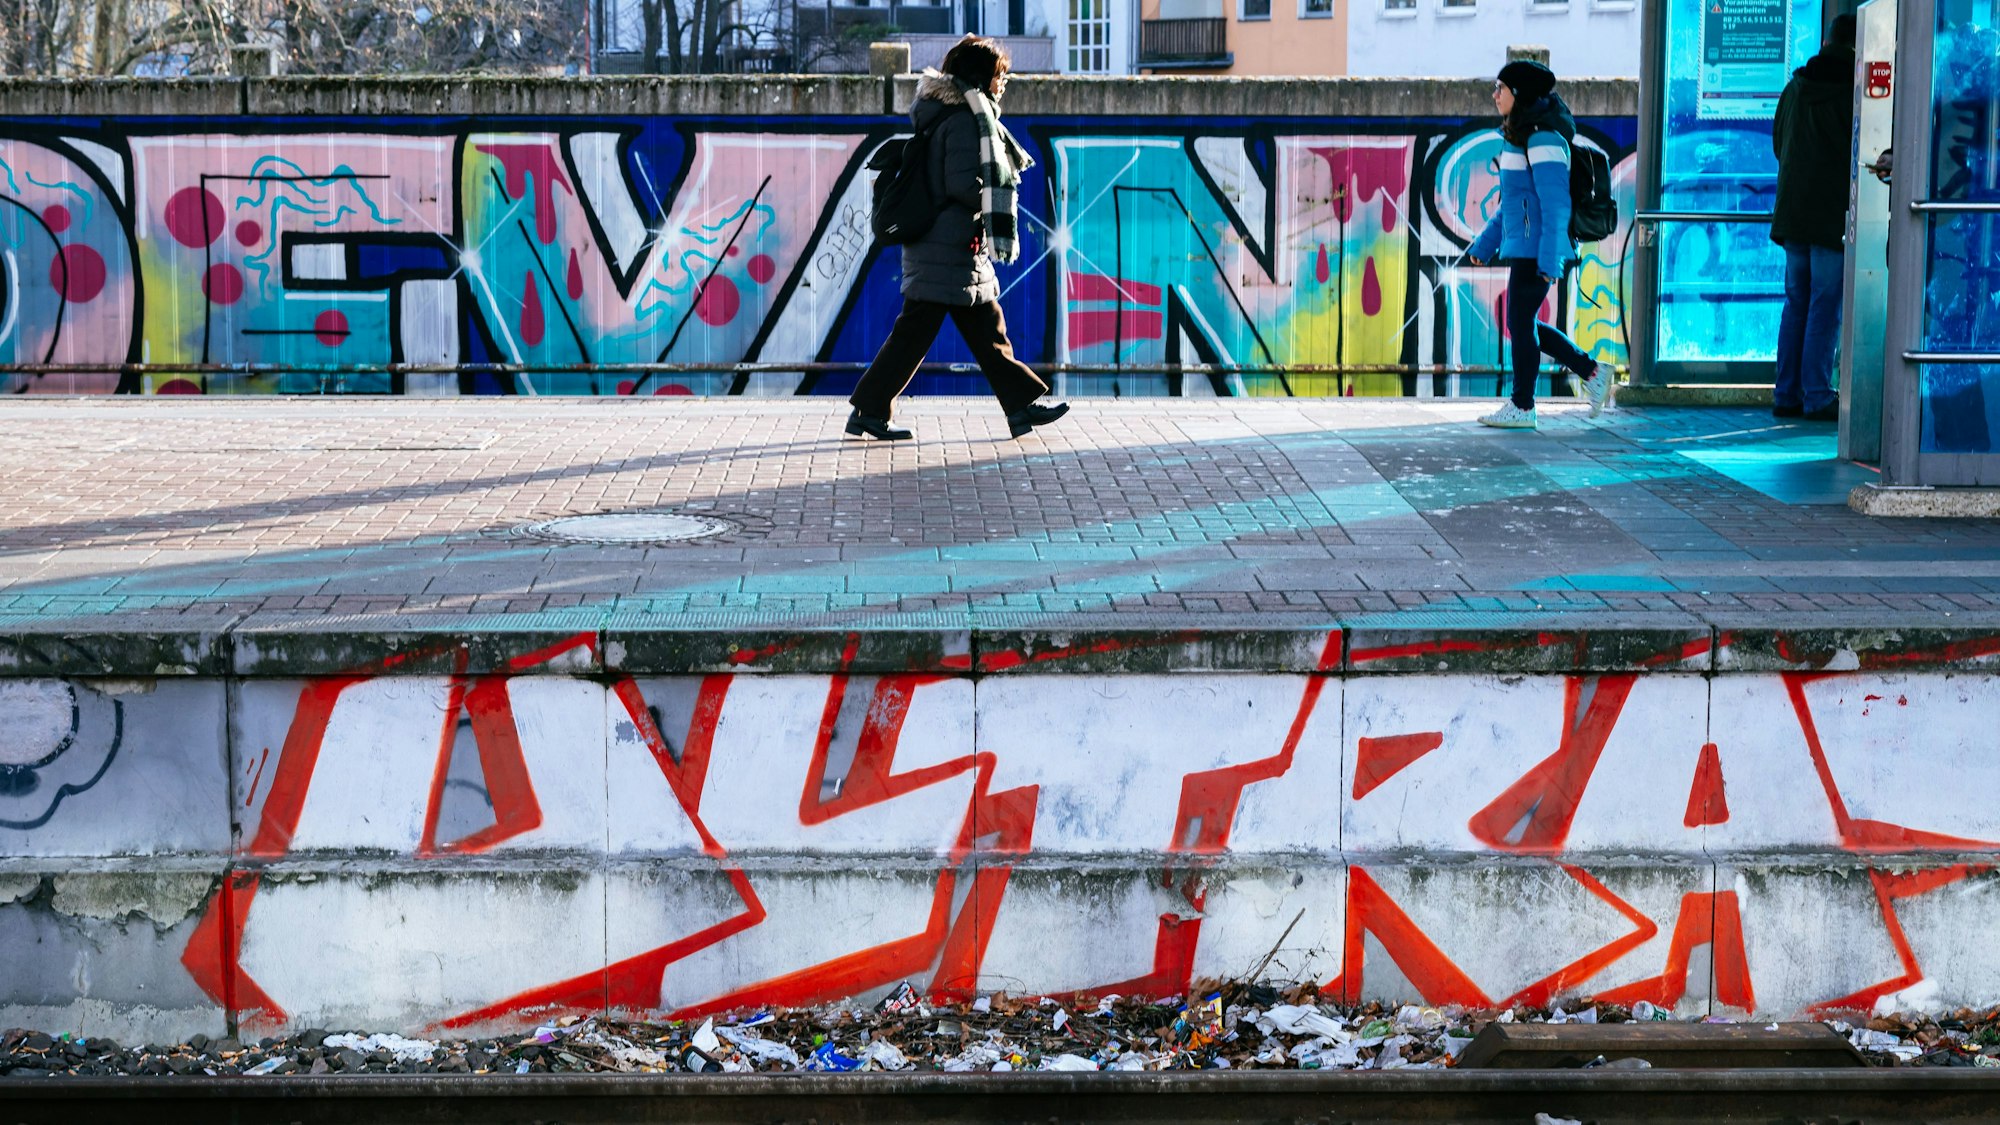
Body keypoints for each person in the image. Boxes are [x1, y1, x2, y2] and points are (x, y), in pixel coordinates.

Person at [846, 35, 1068, 442]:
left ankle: (1019, 407)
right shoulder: (967, 120)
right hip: (947, 247)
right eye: (1000, 74)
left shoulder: (950, 114)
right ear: (982, 76)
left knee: (984, 330)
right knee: (922, 335)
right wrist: (999, 187)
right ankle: (869, 410)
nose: (1004, 81)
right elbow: (963, 185)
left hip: (948, 246)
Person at [1467, 59, 1613, 430]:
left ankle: (1523, 404)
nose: (1494, 95)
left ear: (1518, 93)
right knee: (1522, 321)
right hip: (1525, 247)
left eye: (1500, 88)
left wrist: (1550, 261)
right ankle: (1592, 372)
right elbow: (1511, 206)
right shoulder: (1521, 136)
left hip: (1538, 251)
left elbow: (1556, 205)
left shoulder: (1544, 139)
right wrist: (1484, 246)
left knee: (1519, 320)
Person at [1770, 13, 1858, 422]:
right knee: (1825, 304)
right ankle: (1818, 394)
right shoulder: (1852, 92)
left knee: (1796, 303)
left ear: (1826, 42)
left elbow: (1778, 145)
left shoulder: (1795, 88)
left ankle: (1786, 394)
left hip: (1793, 213)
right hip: (1829, 216)